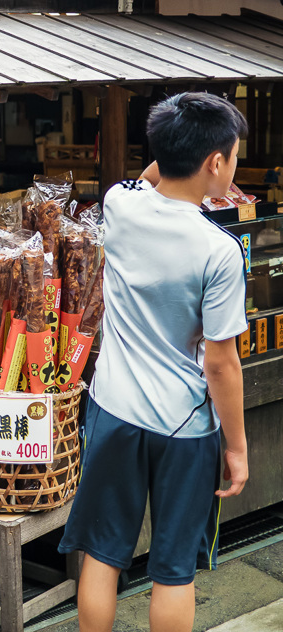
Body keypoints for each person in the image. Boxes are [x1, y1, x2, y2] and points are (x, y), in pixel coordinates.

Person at [58, 92, 249, 632]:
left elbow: (148, 178)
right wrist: (236, 447)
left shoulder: (120, 204)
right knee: (171, 571)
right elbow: (221, 365)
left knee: (102, 554)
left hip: (114, 408)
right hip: (183, 426)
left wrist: (173, 142)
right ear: (216, 163)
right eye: (231, 157)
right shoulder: (219, 250)